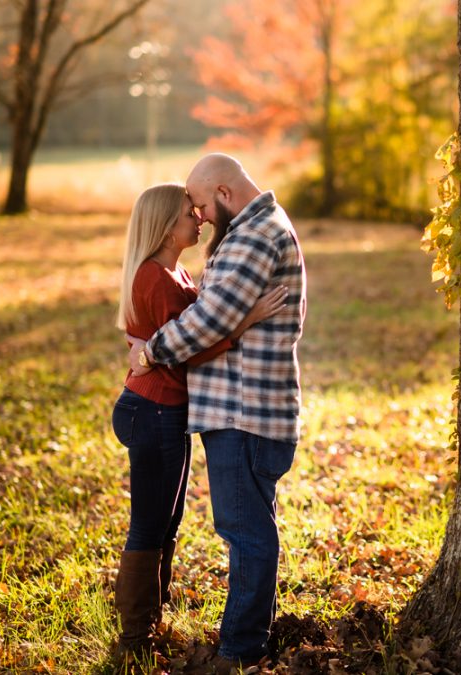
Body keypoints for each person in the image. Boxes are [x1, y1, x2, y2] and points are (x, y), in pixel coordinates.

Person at [126, 155, 307, 666]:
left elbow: (209, 320)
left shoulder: (253, 236)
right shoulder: (254, 228)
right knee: (250, 528)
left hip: (243, 413)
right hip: (241, 410)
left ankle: (240, 651)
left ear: (225, 193)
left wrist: (149, 351)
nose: (201, 216)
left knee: (245, 532)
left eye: (203, 204)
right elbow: (213, 313)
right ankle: (255, 635)